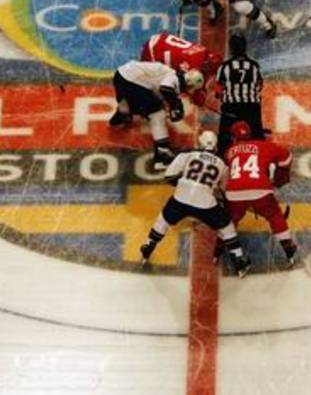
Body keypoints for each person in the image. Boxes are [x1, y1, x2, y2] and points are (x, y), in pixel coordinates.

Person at [140, 130, 252, 277]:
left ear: (200, 143)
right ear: (215, 146)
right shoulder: (223, 165)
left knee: (163, 221)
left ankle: (148, 245)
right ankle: (238, 260)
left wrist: (185, 184)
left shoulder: (187, 155)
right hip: (205, 203)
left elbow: (169, 177)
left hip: (180, 198)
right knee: (227, 228)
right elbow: (224, 189)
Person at [222, 120, 298, 266]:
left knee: (229, 221)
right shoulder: (265, 145)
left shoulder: (229, 151)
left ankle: (221, 249)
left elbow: (225, 174)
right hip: (260, 190)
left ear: (233, 137)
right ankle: (288, 247)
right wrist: (281, 177)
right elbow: (287, 157)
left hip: (234, 193)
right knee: (274, 215)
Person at [109, 60, 205, 169]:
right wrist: (175, 104)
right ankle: (162, 156)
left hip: (122, 75)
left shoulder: (170, 74)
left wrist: (172, 103)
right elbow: (165, 88)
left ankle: (124, 112)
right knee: (157, 115)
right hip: (132, 81)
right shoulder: (173, 78)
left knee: (148, 105)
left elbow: (158, 92)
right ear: (189, 84)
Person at [139, 32, 223, 107]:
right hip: (154, 50)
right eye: (211, 73)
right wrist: (198, 96)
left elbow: (203, 73)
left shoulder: (205, 52)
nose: (210, 76)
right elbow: (186, 86)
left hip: (162, 39)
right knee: (160, 90)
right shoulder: (192, 64)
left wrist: (202, 91)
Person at [215, 33, 265, 155]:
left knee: (225, 138)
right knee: (256, 135)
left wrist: (220, 95)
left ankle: (222, 157)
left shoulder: (225, 67)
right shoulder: (254, 66)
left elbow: (218, 90)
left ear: (231, 48)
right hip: (251, 107)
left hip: (231, 108)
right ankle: (259, 157)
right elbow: (260, 86)